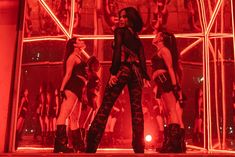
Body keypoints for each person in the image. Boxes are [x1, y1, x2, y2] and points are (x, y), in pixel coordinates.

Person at [85, 7, 150, 153]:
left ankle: (91, 145)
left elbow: (117, 52)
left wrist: (114, 73)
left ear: (130, 20)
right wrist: (145, 75)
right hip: (137, 71)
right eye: (120, 17)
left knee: (106, 106)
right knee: (137, 109)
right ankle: (139, 147)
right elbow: (142, 57)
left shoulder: (119, 32)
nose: (120, 19)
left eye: (124, 17)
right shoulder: (136, 37)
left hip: (123, 69)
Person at [151, 31, 186, 153]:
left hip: (165, 81)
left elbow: (170, 68)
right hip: (161, 83)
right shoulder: (161, 51)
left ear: (161, 39)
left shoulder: (165, 50)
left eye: (157, 35)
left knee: (171, 111)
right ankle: (170, 142)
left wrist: (175, 86)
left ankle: (175, 144)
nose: (154, 36)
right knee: (166, 113)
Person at [53, 37, 88, 153]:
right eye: (79, 40)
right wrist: (62, 89)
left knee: (74, 118)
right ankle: (60, 145)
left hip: (78, 89)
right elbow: (68, 74)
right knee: (63, 115)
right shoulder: (72, 57)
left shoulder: (79, 57)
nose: (82, 41)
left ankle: (79, 146)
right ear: (74, 45)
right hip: (72, 88)